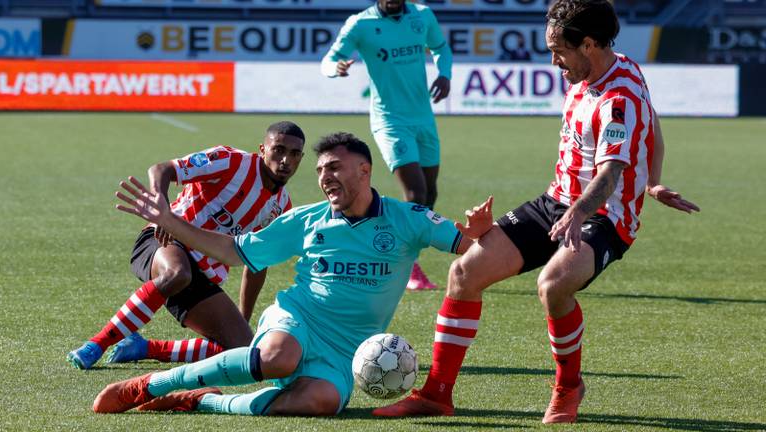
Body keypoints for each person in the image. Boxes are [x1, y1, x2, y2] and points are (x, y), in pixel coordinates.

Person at [373, 0, 700, 424]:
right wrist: (654, 179)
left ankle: (568, 387)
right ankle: (436, 393)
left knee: (553, 285)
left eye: (558, 50)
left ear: (587, 44)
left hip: (605, 216)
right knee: (464, 274)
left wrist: (585, 211)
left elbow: (610, 174)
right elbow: (652, 123)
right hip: (555, 202)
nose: (553, 61)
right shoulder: (601, 72)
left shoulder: (618, 97)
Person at [90, 132, 492, 416]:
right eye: (319, 170)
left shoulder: (408, 218)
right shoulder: (304, 219)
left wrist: (481, 234)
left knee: (318, 403)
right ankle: (152, 385)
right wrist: (170, 222)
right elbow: (234, 251)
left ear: (365, 171)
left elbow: (469, 247)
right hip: (298, 319)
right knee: (279, 357)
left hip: (346, 349)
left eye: (334, 167)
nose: (324, 177)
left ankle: (200, 400)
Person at [66, 121, 306, 369]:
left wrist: (242, 319)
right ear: (263, 149)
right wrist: (162, 206)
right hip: (163, 240)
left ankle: (143, 347)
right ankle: (97, 343)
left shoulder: (280, 208)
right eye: (278, 150)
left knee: (245, 350)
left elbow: (256, 263)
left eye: (294, 153)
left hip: (202, 276)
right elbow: (162, 169)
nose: (286, 159)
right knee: (178, 273)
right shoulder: (230, 161)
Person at [321, 0, 453, 290]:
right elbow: (328, 60)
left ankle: (406, 256)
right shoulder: (361, 24)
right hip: (390, 121)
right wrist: (337, 68)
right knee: (416, 192)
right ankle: (405, 264)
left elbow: (441, 48)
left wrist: (445, 74)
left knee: (430, 192)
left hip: (423, 119)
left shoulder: (422, 15)